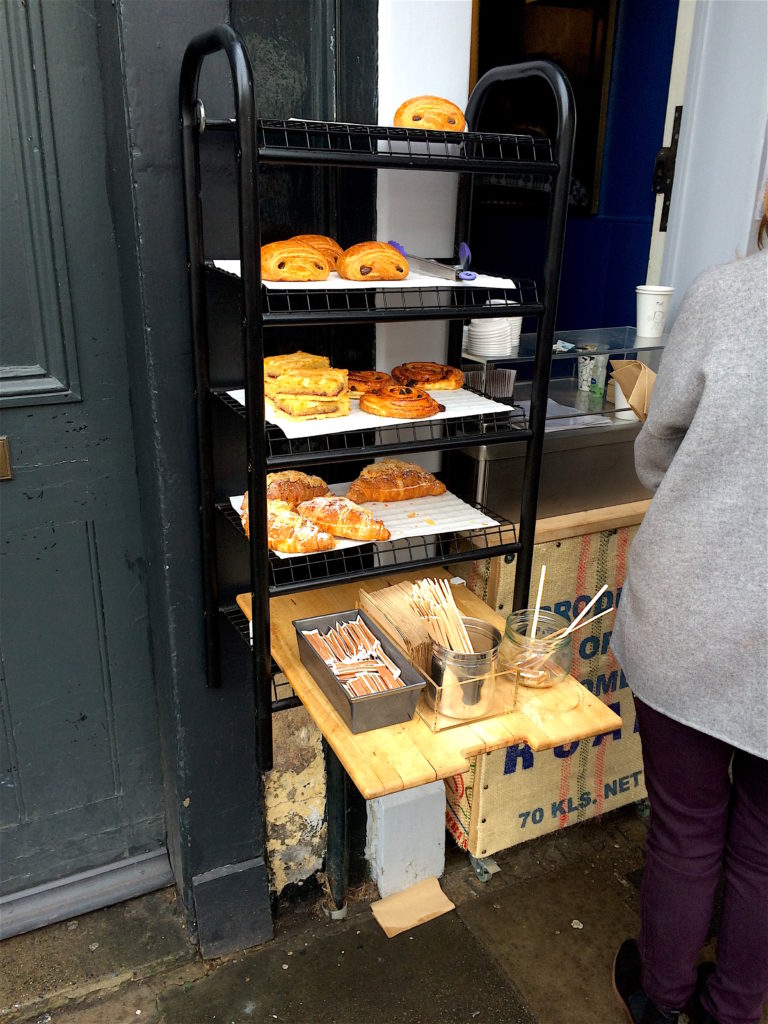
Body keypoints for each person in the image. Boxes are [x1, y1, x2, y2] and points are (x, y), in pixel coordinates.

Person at [610, 190, 768, 1024]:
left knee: (686, 826)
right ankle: (733, 1011)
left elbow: (657, 447)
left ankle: (662, 1001)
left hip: (695, 612)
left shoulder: (728, 296)